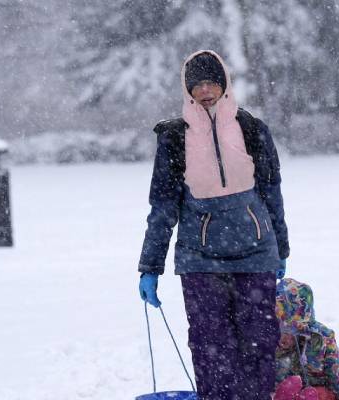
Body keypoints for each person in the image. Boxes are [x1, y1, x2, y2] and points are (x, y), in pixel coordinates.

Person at [137, 49, 290, 400]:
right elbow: (162, 207)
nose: (205, 90)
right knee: (211, 346)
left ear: (224, 84)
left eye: (212, 82)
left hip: (255, 253)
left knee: (258, 342)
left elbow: (272, 193)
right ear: (187, 89)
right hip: (199, 258)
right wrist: (150, 266)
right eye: (198, 84)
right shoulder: (174, 137)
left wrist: (281, 246)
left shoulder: (252, 128)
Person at [274, 278, 339, 400]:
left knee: (316, 393)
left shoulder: (321, 338)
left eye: (292, 329)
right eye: (279, 326)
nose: (284, 335)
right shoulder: (264, 340)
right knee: (289, 387)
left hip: (317, 393)